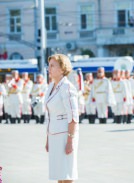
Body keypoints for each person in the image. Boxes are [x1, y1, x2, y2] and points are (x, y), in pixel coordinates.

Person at [45, 54, 79, 182]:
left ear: (62, 69)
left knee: (67, 173)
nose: (49, 69)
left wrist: (70, 141)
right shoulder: (51, 87)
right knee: (59, 173)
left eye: (52, 66)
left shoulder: (67, 87)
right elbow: (49, 115)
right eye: (49, 66)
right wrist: (48, 139)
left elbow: (73, 117)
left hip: (65, 135)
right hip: (54, 135)